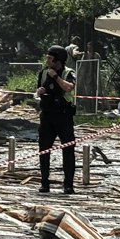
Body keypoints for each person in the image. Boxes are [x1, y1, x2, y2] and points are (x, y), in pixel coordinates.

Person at [35, 45, 77, 194]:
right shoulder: (43, 73)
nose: (47, 60)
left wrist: (56, 77)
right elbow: (41, 89)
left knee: (68, 149)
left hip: (63, 116)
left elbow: (68, 88)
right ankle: (44, 183)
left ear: (58, 60)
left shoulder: (68, 73)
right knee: (44, 150)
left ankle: (68, 184)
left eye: (50, 58)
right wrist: (41, 91)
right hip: (47, 116)